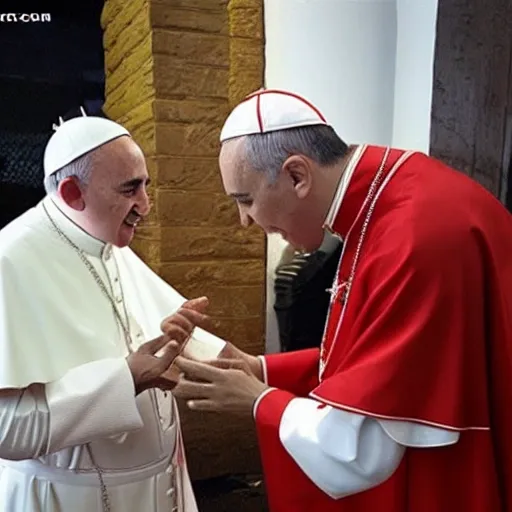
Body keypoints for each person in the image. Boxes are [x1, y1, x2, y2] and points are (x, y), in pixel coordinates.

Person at [172, 88, 512, 511]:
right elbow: (378, 356)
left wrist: (258, 402)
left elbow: (362, 451)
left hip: (446, 482)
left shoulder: (413, 234)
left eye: (246, 200)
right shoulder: (386, 201)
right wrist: (261, 369)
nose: (244, 221)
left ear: (297, 176)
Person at [0, 110, 225, 511]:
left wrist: (231, 363)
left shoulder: (102, 239)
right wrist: (126, 381)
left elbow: (148, 332)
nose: (146, 205)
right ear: (72, 193)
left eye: (146, 186)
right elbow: (6, 431)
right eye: (130, 189)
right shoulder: (9, 260)